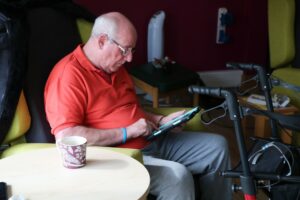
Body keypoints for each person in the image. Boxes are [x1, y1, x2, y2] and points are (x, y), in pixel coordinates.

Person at [44, 11, 232, 200]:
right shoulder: (68, 76)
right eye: (125, 50)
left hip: (151, 140)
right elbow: (66, 137)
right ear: (102, 41)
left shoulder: (115, 68)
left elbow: (130, 110)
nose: (129, 59)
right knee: (177, 177)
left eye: (131, 51)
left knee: (217, 147)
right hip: (119, 157)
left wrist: (162, 120)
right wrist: (128, 132)